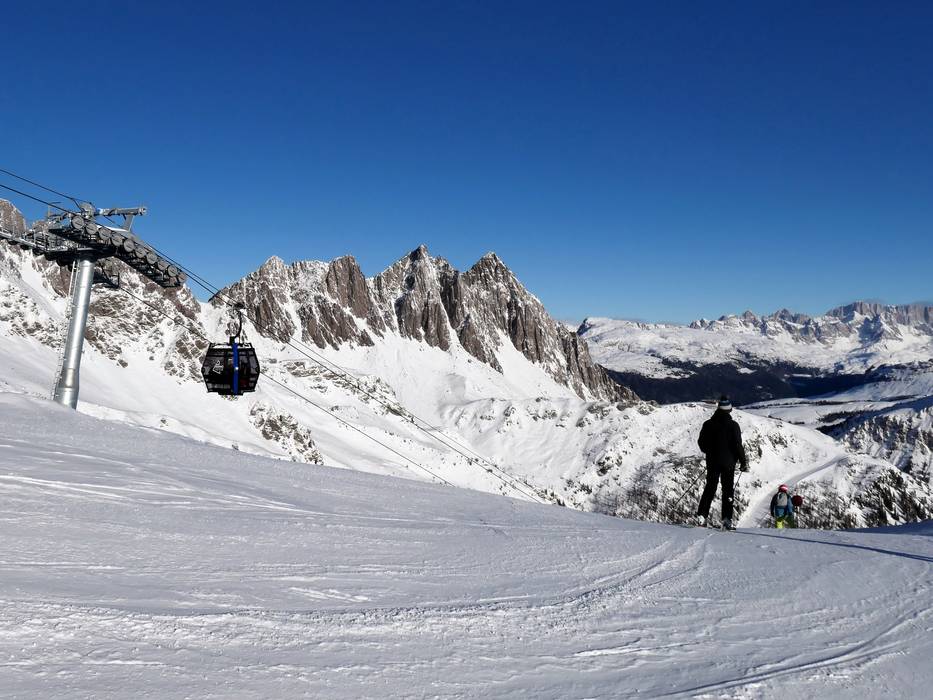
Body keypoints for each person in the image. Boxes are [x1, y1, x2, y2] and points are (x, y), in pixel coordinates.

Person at [696, 395, 748, 530]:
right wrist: (743, 462)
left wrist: (710, 451)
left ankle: (702, 515)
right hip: (729, 463)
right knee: (728, 491)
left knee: (710, 488)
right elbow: (738, 445)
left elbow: (701, 443)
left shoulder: (708, 424)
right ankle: (726, 519)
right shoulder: (733, 426)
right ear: (729, 410)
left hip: (712, 462)